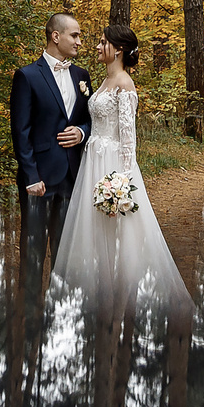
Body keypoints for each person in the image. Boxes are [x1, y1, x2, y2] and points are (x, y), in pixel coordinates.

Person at [53, 23, 188, 314]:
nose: (98, 47)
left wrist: (122, 184)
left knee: (118, 229)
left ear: (119, 49)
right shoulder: (103, 81)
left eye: (103, 43)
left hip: (113, 164)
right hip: (93, 158)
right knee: (95, 228)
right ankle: (102, 290)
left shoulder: (124, 84)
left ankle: (121, 298)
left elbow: (129, 140)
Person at [9, 11, 93, 258]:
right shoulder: (27, 76)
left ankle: (60, 298)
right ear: (56, 36)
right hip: (40, 179)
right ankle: (29, 299)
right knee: (33, 254)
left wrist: (81, 132)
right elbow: (20, 131)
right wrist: (31, 176)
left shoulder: (82, 76)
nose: (79, 41)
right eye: (75, 35)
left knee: (66, 253)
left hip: (72, 176)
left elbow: (90, 119)